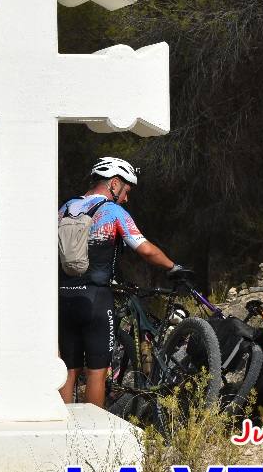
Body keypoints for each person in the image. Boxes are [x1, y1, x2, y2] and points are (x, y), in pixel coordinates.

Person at [58, 156, 188, 408]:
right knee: (97, 370)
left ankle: (59, 431)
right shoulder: (112, 211)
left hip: (62, 297)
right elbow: (145, 249)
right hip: (94, 299)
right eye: (126, 190)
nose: (127, 198)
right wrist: (174, 267)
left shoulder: (64, 209)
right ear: (114, 184)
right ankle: (92, 435)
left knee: (68, 368)